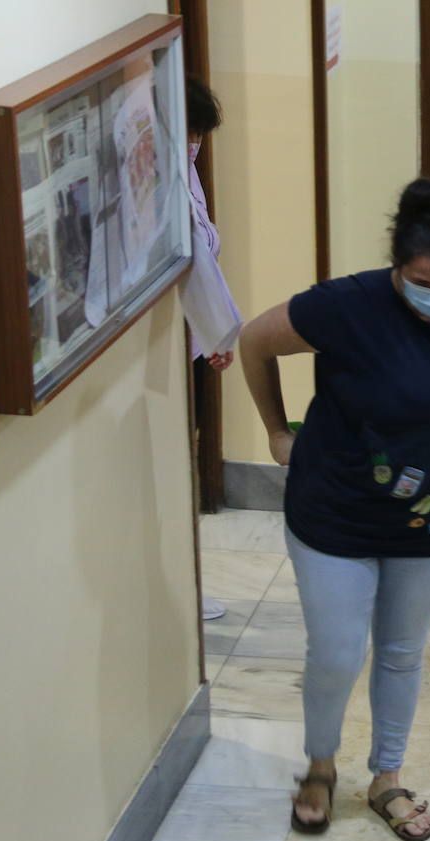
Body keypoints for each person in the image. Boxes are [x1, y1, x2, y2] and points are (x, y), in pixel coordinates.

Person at [237, 178, 430, 840]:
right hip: (334, 510)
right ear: (398, 267)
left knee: (401, 652)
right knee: (335, 652)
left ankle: (387, 776)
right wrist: (277, 431)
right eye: (422, 280)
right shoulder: (343, 306)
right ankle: (320, 768)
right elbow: (253, 341)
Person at [183, 76, 245, 621]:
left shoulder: (187, 173)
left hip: (194, 342)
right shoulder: (161, 180)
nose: (195, 144)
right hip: (182, 345)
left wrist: (214, 336)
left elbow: (205, 253)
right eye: (192, 132)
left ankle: (187, 583)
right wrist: (217, 334)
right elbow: (193, 267)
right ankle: (183, 588)